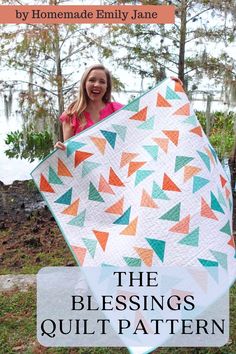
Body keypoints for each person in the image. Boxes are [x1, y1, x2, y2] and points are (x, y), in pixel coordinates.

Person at [54, 64, 123, 150]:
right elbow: (68, 153)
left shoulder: (119, 110)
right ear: (84, 84)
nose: (97, 85)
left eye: (102, 82)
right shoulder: (71, 115)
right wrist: (60, 149)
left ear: (107, 86)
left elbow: (134, 138)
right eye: (92, 80)